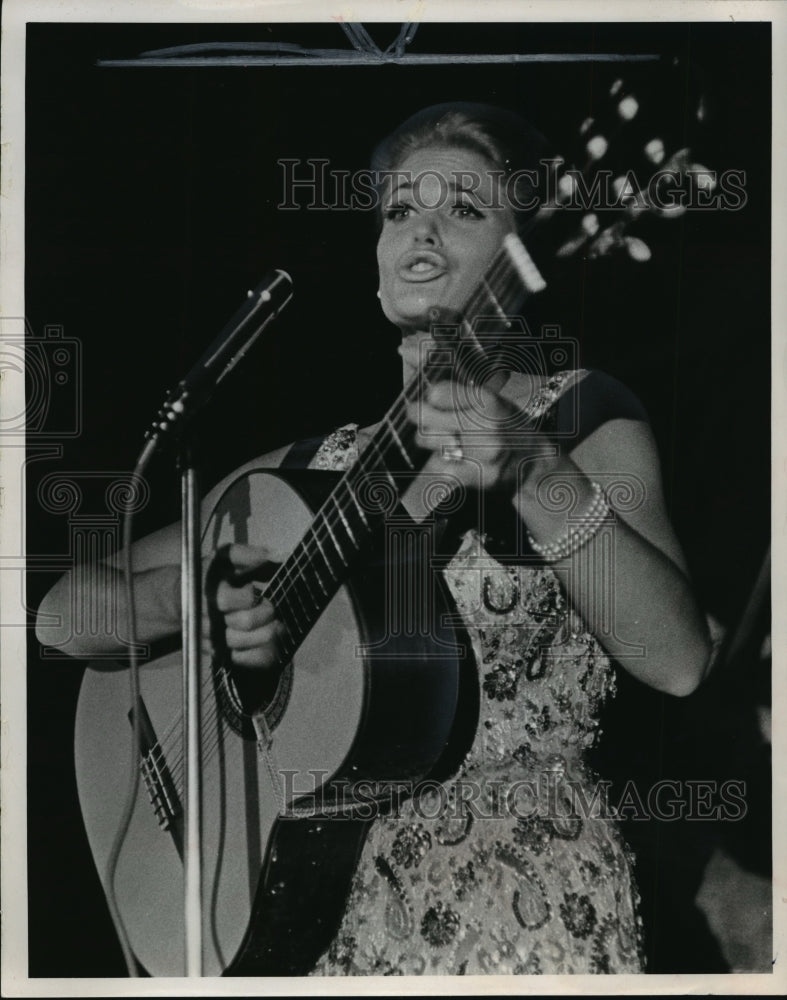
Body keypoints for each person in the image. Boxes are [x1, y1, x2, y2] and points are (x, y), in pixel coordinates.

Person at [36, 103, 714, 976]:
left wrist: (533, 472)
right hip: (322, 918)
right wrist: (198, 598)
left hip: (519, 907)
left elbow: (678, 662)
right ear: (376, 266)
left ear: (525, 257)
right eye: (399, 210)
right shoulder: (304, 470)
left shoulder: (577, 419)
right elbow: (60, 618)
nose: (421, 230)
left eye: (465, 209)